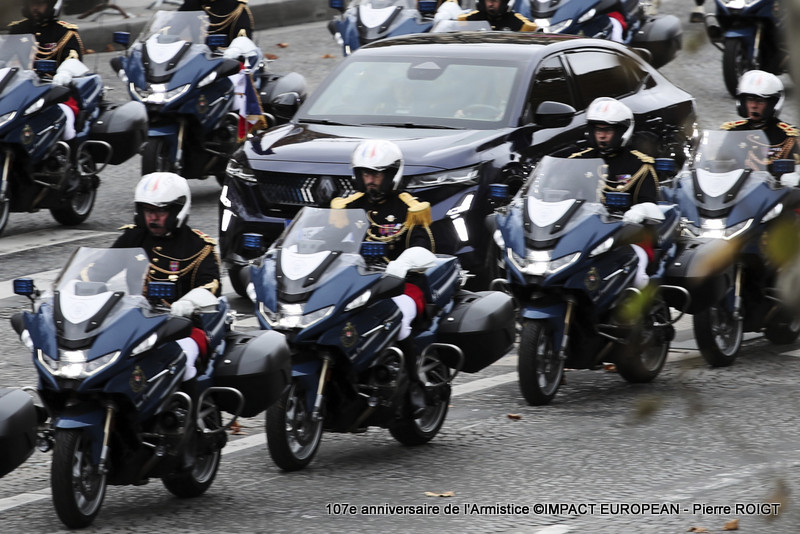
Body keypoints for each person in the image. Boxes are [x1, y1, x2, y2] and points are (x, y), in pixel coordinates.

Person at [331, 139, 435, 416]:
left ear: (391, 175)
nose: (370, 180)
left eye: (376, 174)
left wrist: (404, 263)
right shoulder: (347, 207)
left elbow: (424, 248)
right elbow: (327, 242)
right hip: (356, 283)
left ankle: (414, 386)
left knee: (396, 319)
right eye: (365, 174)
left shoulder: (409, 208)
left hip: (403, 286)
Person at [113, 172, 222, 383]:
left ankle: (188, 412)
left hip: (183, 329)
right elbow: (97, 269)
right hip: (133, 327)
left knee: (180, 365)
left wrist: (189, 302)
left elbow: (211, 284)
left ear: (177, 210)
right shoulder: (133, 237)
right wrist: (77, 287)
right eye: (148, 210)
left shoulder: (198, 246)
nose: (152, 217)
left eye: (160, 211)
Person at [567, 97, 661, 288]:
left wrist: (639, 212)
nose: (601, 135)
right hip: (583, 236)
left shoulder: (639, 164)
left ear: (621, 132)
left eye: (607, 130)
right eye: (598, 129)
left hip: (627, 238)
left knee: (639, 279)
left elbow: (651, 204)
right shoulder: (577, 161)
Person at [720, 70, 800, 164]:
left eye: (760, 101)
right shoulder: (733, 131)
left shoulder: (787, 137)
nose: (753, 105)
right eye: (750, 100)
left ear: (771, 104)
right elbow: (718, 164)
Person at [8, 0, 84, 66]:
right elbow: (4, 57)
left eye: (40, 4)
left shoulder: (64, 31)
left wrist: (66, 72)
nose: (35, 8)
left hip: (55, 80)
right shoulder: (18, 29)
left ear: (50, 5)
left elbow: (73, 57)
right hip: (23, 79)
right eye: (32, 4)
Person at [179, 0, 255, 41]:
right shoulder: (192, 4)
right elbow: (173, 27)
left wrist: (237, 48)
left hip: (224, 59)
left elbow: (242, 39)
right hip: (196, 57)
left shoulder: (235, 7)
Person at [454, 0, 538, 31]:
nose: (491, 4)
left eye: (495, 1)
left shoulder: (521, 24)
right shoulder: (467, 20)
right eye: (488, 0)